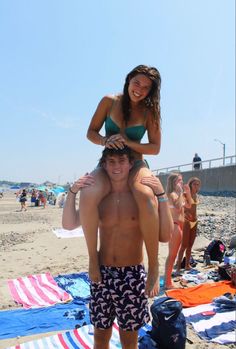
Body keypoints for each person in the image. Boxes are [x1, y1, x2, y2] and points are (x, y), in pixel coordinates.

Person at [63, 147, 172, 349]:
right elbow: (68, 224)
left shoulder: (140, 197)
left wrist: (161, 195)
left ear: (131, 164)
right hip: (101, 272)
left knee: (128, 341)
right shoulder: (99, 198)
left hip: (131, 274)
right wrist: (72, 192)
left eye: (121, 161)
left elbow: (165, 235)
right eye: (111, 162)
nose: (116, 166)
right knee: (100, 337)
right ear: (103, 166)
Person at [79, 65, 162, 297]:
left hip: (135, 163)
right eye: (137, 83)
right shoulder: (109, 100)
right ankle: (92, 259)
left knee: (145, 195)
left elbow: (155, 147)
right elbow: (91, 132)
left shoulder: (150, 112)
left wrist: (128, 141)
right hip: (109, 161)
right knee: (88, 193)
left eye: (146, 88)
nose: (140, 90)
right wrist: (106, 140)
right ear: (128, 80)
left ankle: (154, 264)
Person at [164, 173, 192, 289]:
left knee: (173, 255)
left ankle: (168, 280)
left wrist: (188, 193)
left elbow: (189, 205)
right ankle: (167, 283)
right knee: (172, 255)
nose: (181, 182)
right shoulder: (172, 194)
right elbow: (178, 207)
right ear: (174, 182)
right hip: (175, 226)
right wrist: (181, 193)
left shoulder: (179, 194)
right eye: (179, 181)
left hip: (179, 226)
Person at [176, 177, 201, 272]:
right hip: (186, 221)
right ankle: (178, 266)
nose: (196, 186)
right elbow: (180, 207)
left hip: (195, 222)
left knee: (190, 245)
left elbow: (194, 209)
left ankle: (187, 265)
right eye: (194, 184)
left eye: (198, 184)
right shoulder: (185, 195)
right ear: (190, 185)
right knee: (184, 245)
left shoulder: (196, 195)